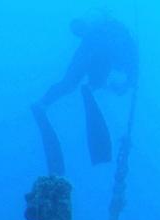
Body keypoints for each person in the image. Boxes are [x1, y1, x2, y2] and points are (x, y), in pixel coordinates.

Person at [32, 17, 138, 173]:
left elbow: (71, 79)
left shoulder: (105, 40)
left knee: (74, 84)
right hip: (101, 54)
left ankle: (43, 103)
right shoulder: (105, 41)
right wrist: (123, 85)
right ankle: (46, 102)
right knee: (84, 84)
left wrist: (123, 85)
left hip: (100, 54)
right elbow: (130, 71)